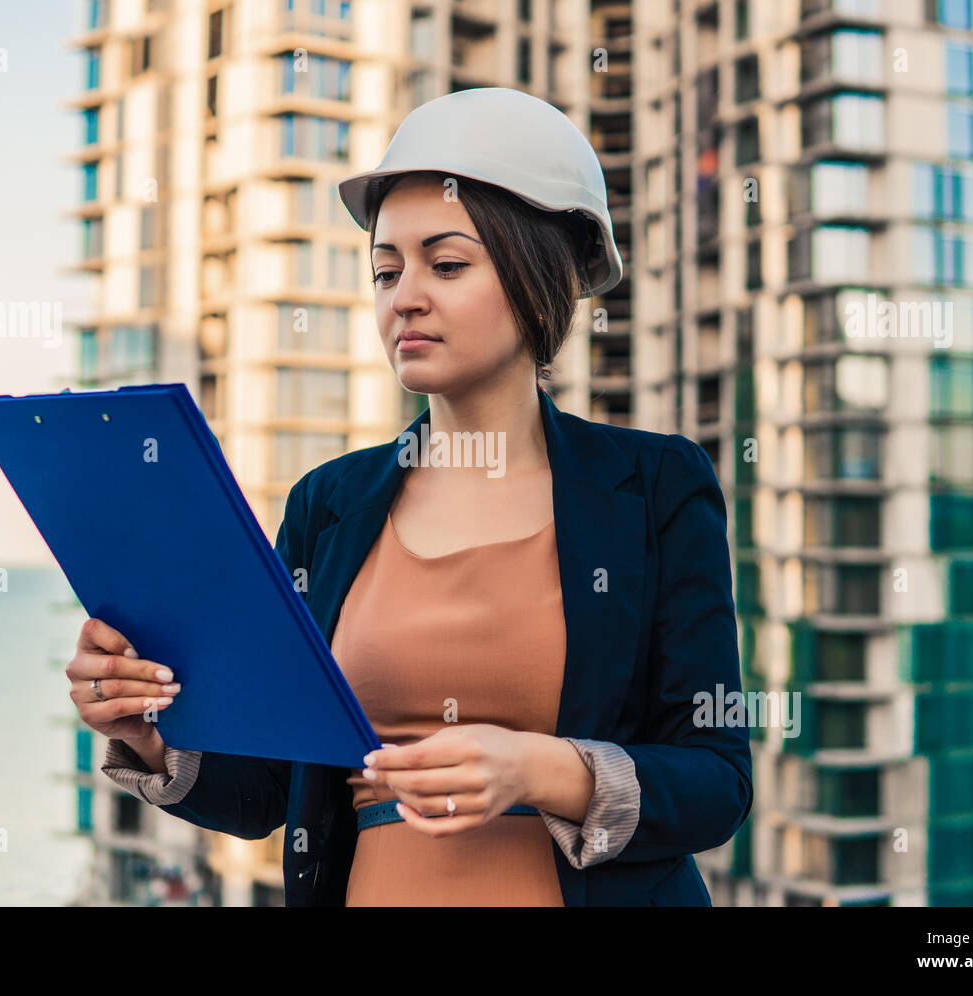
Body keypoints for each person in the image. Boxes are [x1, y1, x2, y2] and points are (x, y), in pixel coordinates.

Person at [66, 87, 752, 906]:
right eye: (386, 270)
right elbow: (266, 793)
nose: (405, 297)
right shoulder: (328, 505)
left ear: (546, 276)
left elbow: (716, 780)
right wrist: (147, 734)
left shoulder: (654, 489)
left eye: (447, 264)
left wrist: (538, 766)